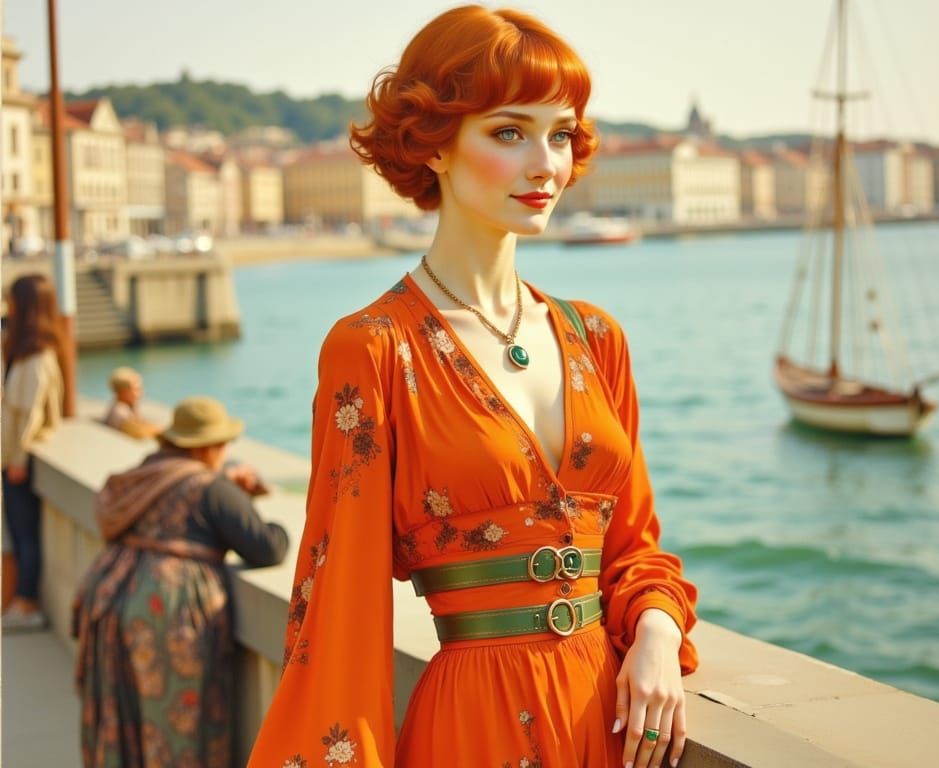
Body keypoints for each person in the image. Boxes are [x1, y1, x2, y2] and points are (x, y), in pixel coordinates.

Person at [248, 7, 698, 768]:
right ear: (435, 144)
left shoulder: (597, 340)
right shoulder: (374, 350)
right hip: (472, 731)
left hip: (608, 724)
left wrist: (655, 629)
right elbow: (338, 607)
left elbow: (633, 548)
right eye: (509, 132)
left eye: (560, 134)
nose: (546, 164)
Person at [74, 396, 289, 767]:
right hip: (165, 612)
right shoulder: (210, 489)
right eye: (222, 444)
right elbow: (267, 548)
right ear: (206, 446)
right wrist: (264, 514)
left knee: (124, 716)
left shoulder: (148, 472)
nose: (225, 452)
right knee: (175, 724)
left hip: (112, 597)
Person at [1, 273, 67, 631]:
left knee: (25, 533)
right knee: (17, 530)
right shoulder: (24, 348)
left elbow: (30, 412)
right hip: (12, 456)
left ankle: (27, 603)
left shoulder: (38, 354)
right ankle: (20, 601)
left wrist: (18, 458)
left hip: (18, 458)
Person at [102, 366, 162, 439]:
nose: (141, 393)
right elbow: (138, 432)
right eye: (137, 389)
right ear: (123, 392)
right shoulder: (119, 412)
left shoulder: (124, 407)